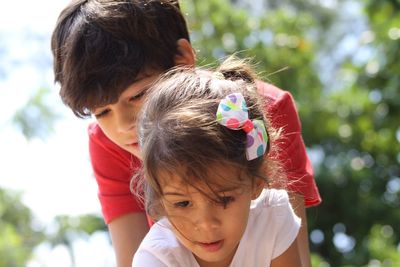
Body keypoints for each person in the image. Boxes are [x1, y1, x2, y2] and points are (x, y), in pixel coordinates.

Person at [51, 1, 321, 266]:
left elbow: (290, 244)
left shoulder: (254, 112)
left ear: (183, 59)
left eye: (138, 95)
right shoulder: (109, 143)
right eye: (102, 112)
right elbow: (130, 258)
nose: (122, 125)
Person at [132, 57, 301, 266]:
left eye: (224, 200)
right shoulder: (157, 258)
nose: (206, 224)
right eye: (182, 203)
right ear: (160, 201)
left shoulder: (272, 219)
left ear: (256, 182)